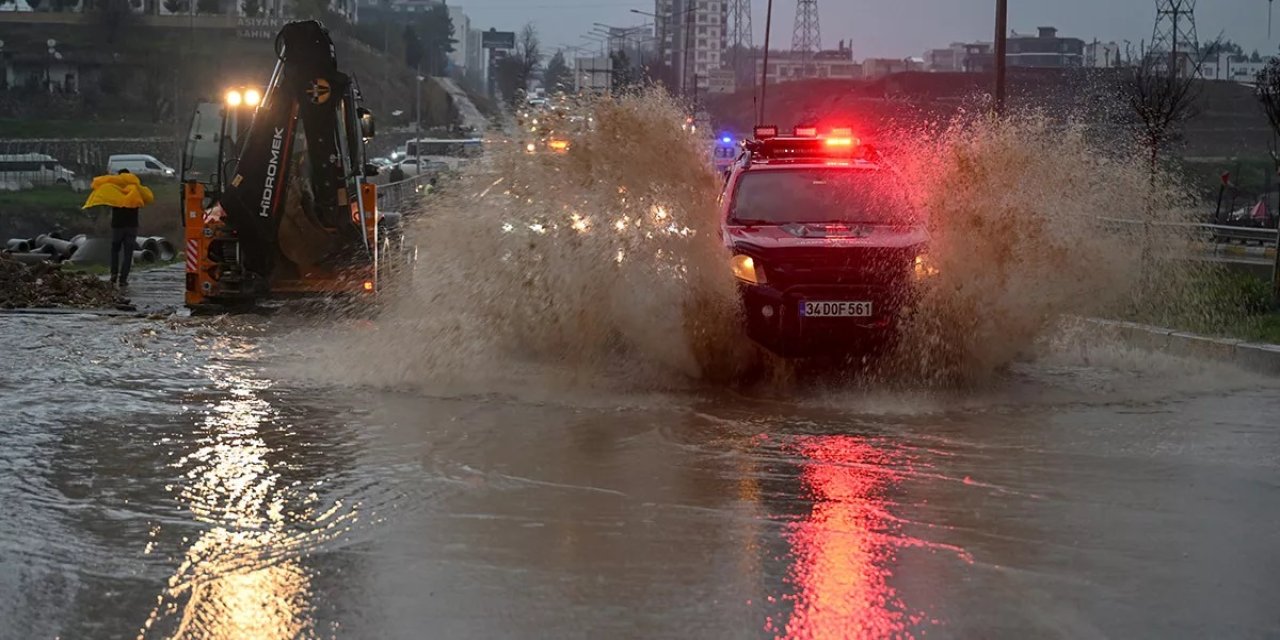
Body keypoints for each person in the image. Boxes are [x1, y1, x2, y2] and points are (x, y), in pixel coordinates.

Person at [109, 169, 140, 288]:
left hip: (118, 226)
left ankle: (113, 274)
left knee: (115, 251)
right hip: (132, 226)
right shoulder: (136, 190)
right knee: (128, 253)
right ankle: (123, 279)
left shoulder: (114, 190)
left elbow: (109, 202)